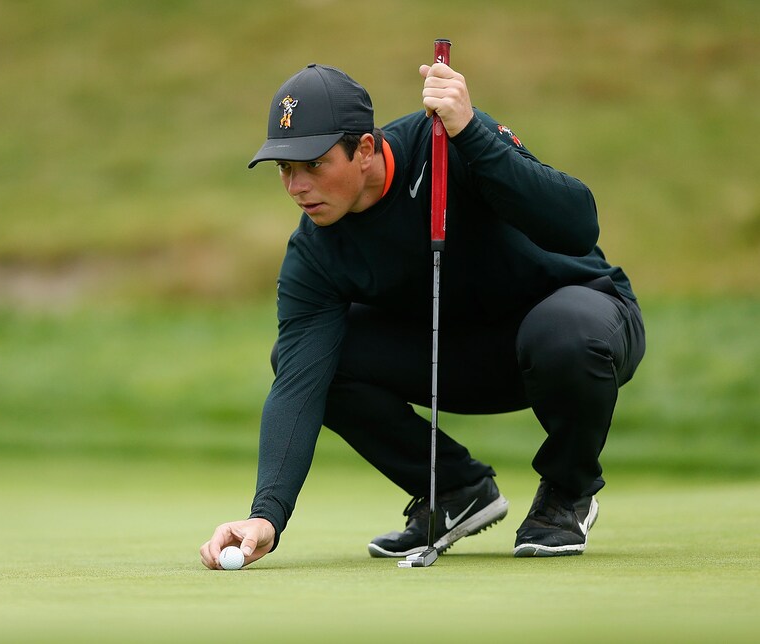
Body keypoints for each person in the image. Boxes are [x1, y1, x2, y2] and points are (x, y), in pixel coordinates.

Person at [199, 59, 645, 570]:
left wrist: (473, 134)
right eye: (285, 168)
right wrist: (266, 515)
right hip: (463, 356)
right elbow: (299, 381)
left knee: (563, 332)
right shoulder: (315, 252)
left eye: (313, 165)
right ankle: (454, 489)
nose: (296, 186)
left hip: (584, 324)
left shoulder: (448, 142)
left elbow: (577, 225)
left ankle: (568, 491)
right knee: (311, 357)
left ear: (364, 149)